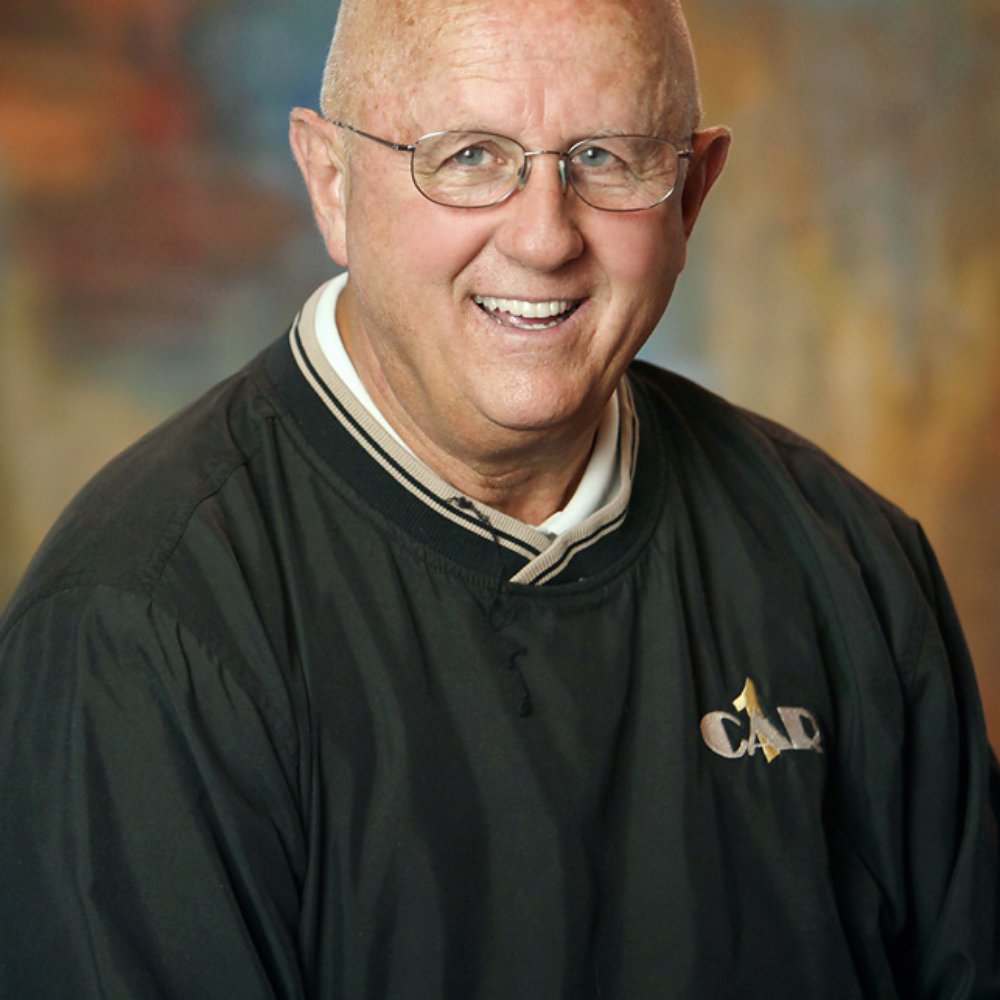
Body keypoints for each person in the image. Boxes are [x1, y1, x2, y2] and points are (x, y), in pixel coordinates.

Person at [1, 0, 997, 996]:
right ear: (331, 182)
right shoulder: (141, 626)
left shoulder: (851, 564)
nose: (544, 236)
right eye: (469, 156)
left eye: (605, 157)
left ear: (691, 192)